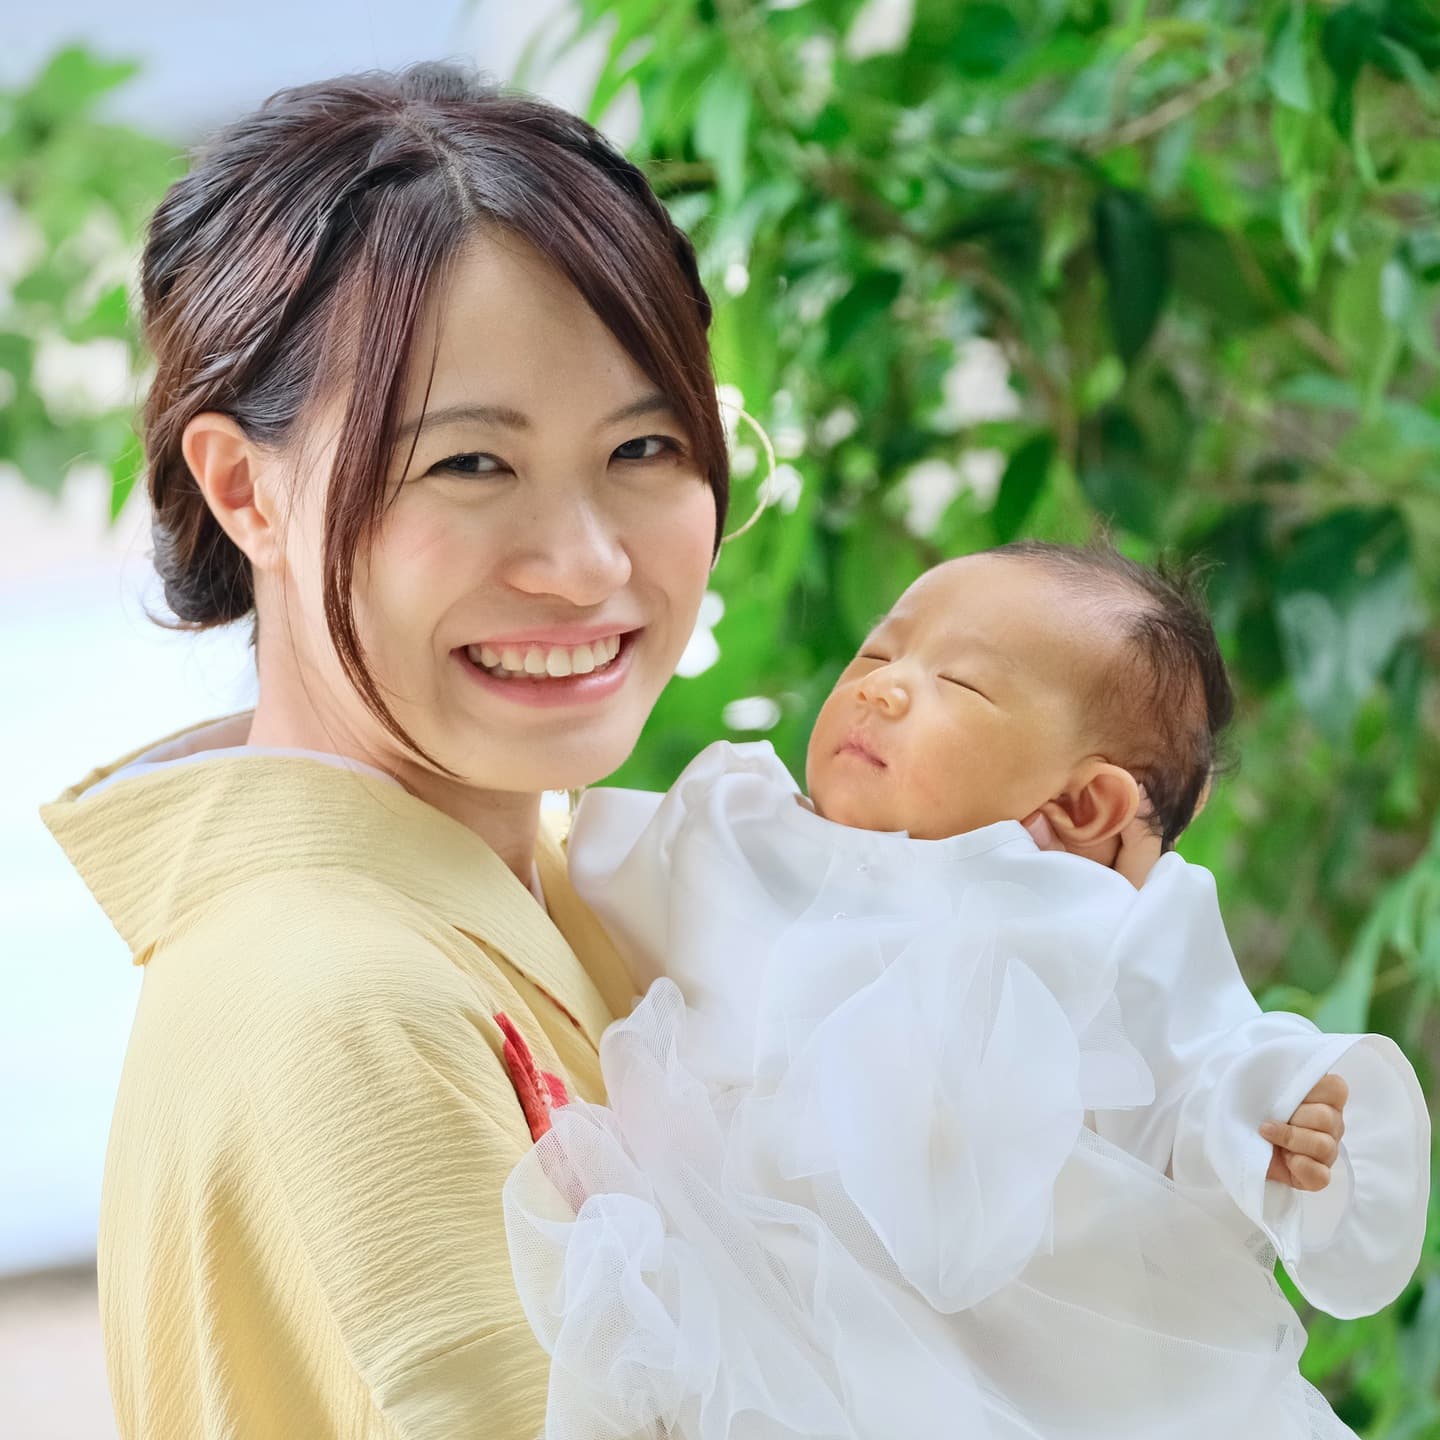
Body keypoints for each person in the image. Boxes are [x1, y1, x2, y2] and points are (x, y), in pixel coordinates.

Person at [40, 60, 736, 1439]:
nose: (588, 563)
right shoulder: (345, 997)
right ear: (246, 488)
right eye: (469, 466)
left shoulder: (562, 889)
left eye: (646, 446)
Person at [503, 544, 1430, 1439]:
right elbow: (558, 892)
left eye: (961, 683)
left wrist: (1268, 1126)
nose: (880, 683)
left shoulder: (1102, 924)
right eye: (880, 649)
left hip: (1054, 1378)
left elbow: (1203, 1064)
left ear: (1081, 809)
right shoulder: (735, 834)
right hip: (775, 1331)